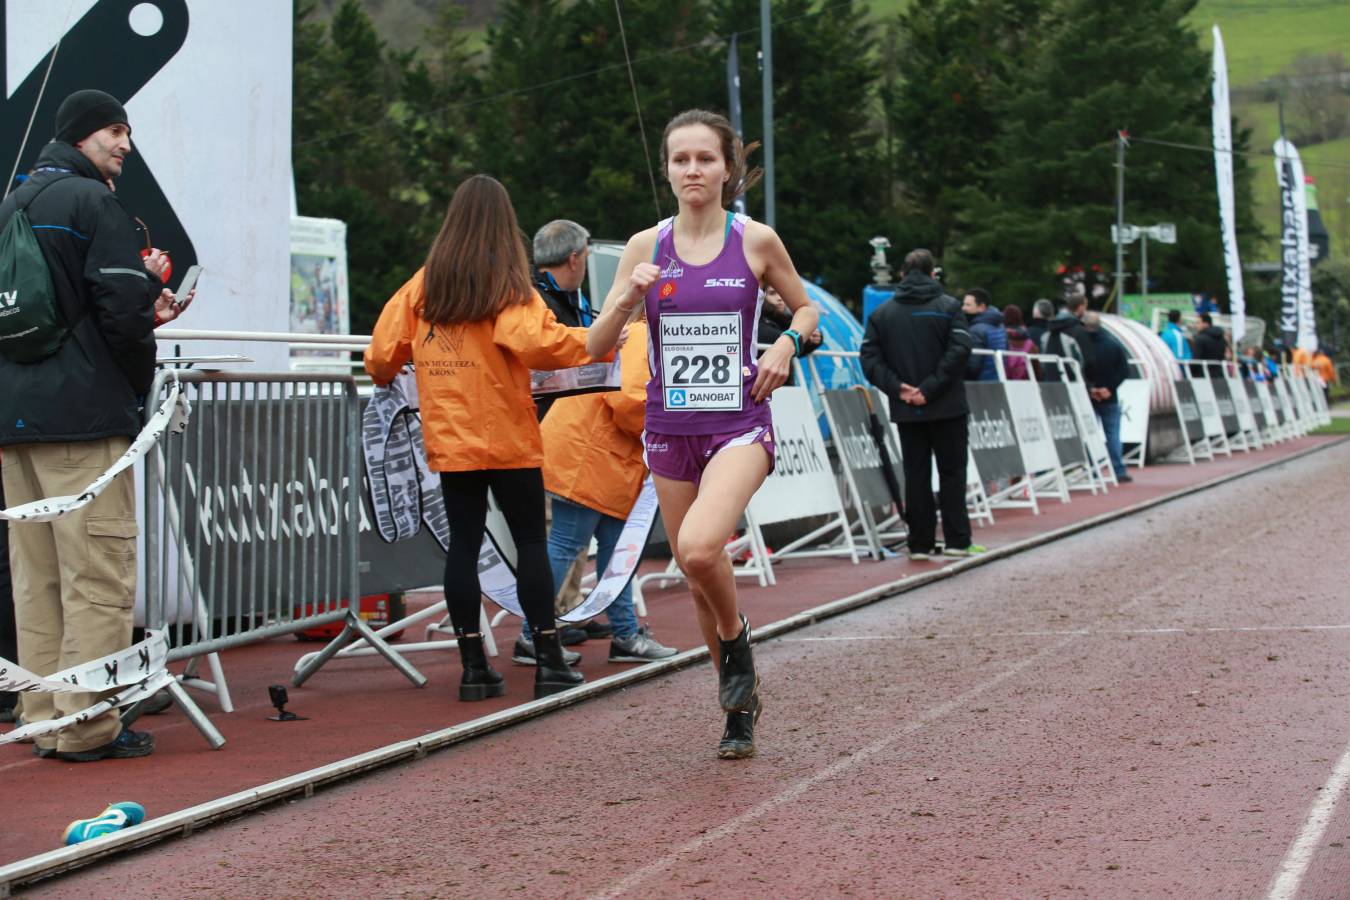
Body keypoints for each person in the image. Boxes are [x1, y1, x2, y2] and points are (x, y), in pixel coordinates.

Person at [585, 109, 819, 760]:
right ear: (665, 169)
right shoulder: (644, 247)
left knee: (696, 546)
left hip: (739, 423)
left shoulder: (755, 241)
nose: (693, 169)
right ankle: (737, 705)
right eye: (680, 159)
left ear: (727, 170)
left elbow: (805, 305)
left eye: (705, 159)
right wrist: (628, 301)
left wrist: (787, 346)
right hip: (668, 426)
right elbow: (594, 345)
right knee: (697, 572)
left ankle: (736, 638)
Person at [365, 174, 612, 702]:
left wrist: (412, 364)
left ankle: (473, 667)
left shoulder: (424, 285)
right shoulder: (507, 286)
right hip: (506, 433)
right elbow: (542, 346)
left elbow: (381, 356)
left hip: (451, 437)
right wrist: (607, 338)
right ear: (505, 225)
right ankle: (548, 658)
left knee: (462, 545)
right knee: (529, 544)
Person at [0, 90, 191, 761]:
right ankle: (86, 726)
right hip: (83, 418)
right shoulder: (92, 203)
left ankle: (43, 713)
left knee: (38, 577)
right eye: (116, 131)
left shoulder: (13, 201)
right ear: (83, 134)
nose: (125, 145)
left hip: (14, 420)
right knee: (98, 572)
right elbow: (120, 314)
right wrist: (141, 365)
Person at [539, 316, 678, 664]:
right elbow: (629, 400)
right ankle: (533, 633)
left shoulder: (645, 332)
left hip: (601, 455)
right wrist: (668, 429)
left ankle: (624, 634)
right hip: (592, 454)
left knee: (613, 550)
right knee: (569, 545)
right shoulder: (646, 335)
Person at [861, 249, 981, 562]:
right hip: (948, 406)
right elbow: (960, 350)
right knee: (952, 473)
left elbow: (870, 359)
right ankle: (957, 540)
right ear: (933, 274)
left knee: (916, 475)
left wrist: (899, 388)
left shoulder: (882, 314)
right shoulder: (949, 307)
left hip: (907, 409)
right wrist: (930, 388)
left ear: (901, 275)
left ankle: (920, 543)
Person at [531, 219, 595, 422]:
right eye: (586, 256)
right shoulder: (533, 301)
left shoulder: (570, 299)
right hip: (546, 422)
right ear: (574, 260)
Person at [1082, 312, 1132, 483]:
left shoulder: (1081, 345)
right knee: (1113, 434)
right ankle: (1118, 469)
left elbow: (1078, 369)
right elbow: (1125, 370)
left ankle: (1093, 469)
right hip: (1110, 396)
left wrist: (1090, 388)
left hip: (1088, 396)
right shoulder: (1113, 345)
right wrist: (1110, 388)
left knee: (1090, 434)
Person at [1041, 293, 1097, 388]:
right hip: (1074, 384)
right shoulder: (1078, 330)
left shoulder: (1050, 329)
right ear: (1080, 307)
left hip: (1050, 384)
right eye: (1085, 306)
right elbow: (1088, 360)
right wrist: (1090, 384)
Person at [962, 288, 1007, 382]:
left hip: (980, 385)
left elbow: (973, 366)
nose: (963, 308)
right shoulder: (999, 325)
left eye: (968, 305)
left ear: (981, 307)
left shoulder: (976, 330)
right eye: (964, 304)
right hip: (998, 380)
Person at [1001, 305, 1034, 380]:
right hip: (1026, 385)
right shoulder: (1030, 343)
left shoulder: (1000, 339)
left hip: (1005, 383)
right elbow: (1037, 371)